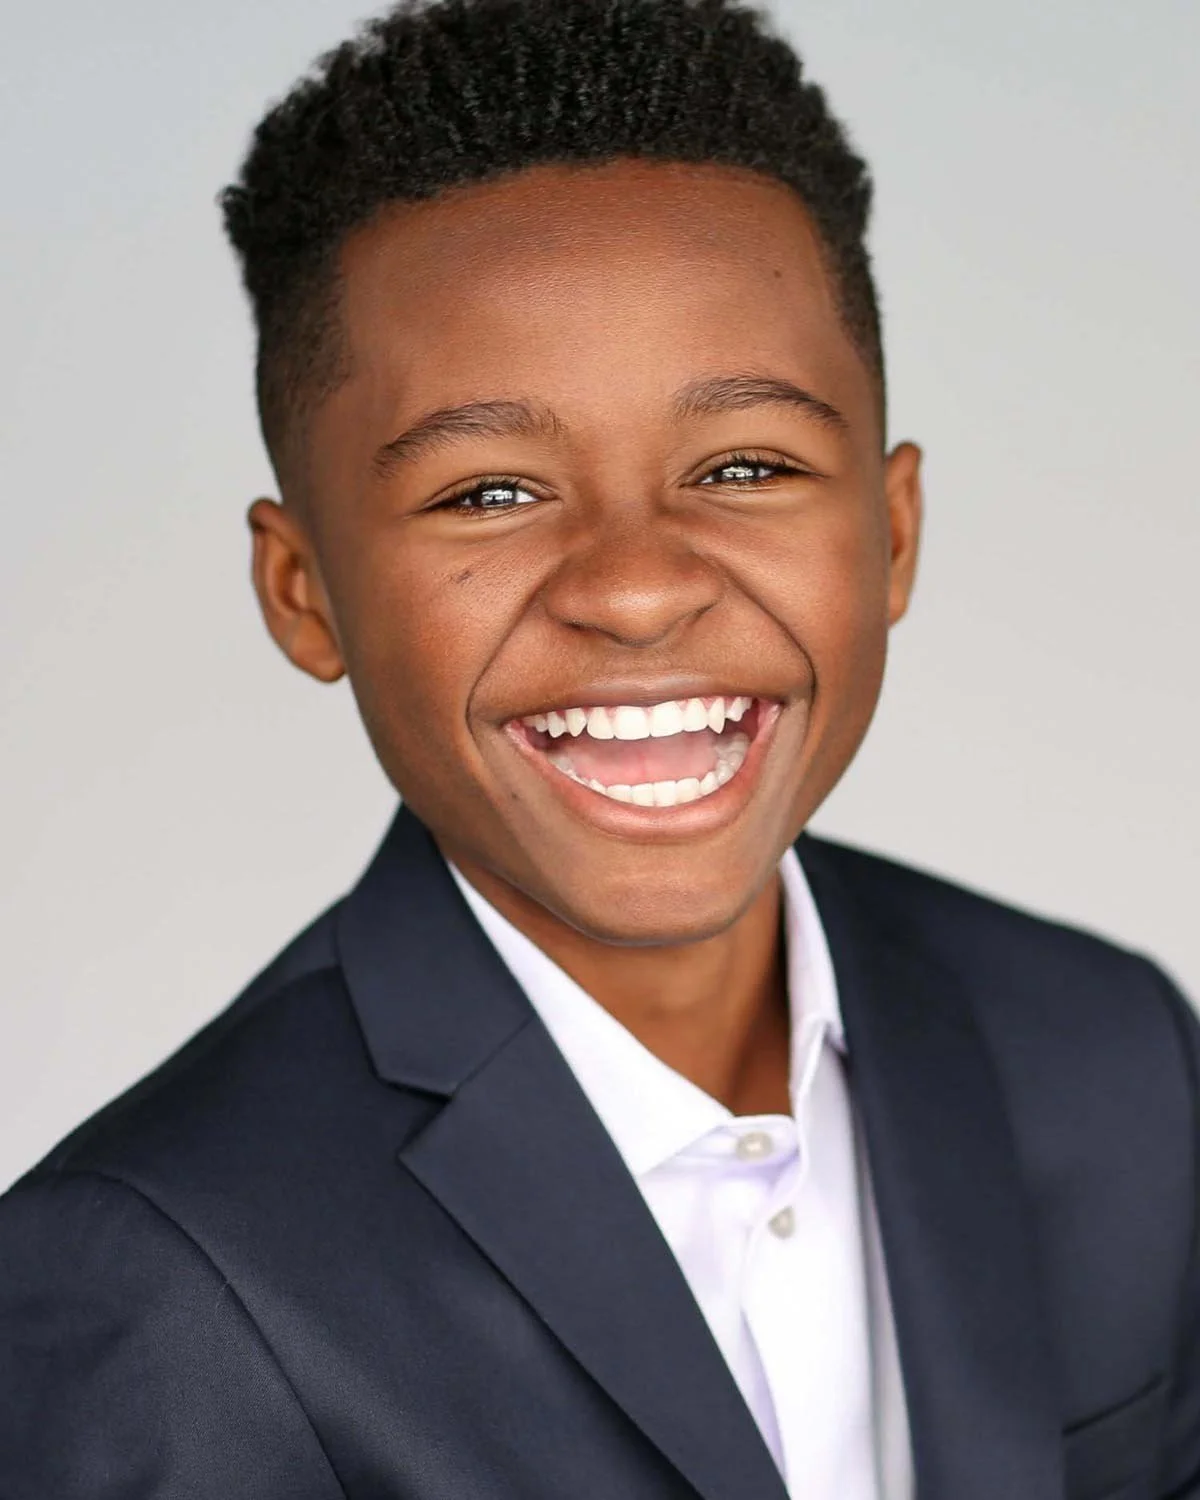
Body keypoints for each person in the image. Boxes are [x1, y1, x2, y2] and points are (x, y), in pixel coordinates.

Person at [1, 0, 1196, 1495]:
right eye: (489, 493)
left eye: (746, 466)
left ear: (891, 532)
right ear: (303, 593)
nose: (636, 585)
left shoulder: (1108, 1056)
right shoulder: (162, 1286)